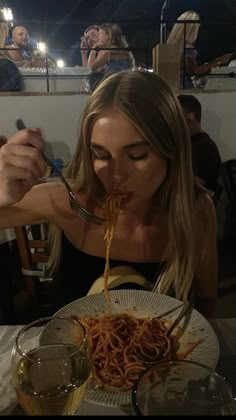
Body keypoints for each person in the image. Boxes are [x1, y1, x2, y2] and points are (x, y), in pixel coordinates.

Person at [0, 70, 217, 317]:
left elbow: (207, 301)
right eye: (101, 155)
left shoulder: (195, 209)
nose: (116, 175)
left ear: (172, 152)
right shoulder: (70, 201)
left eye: (137, 156)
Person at [167, 10, 232, 89]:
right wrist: (218, 61)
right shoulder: (187, 47)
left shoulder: (173, 45)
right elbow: (194, 71)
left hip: (173, 84)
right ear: (192, 29)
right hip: (185, 87)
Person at [178, 94, 221, 196]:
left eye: (177, 115)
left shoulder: (206, 148)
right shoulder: (188, 143)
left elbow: (195, 188)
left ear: (190, 117)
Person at [87, 23, 135, 91]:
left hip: (114, 84)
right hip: (123, 82)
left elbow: (90, 67)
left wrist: (94, 48)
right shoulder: (120, 49)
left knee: (92, 78)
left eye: (100, 34)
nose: (99, 37)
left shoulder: (110, 52)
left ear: (108, 35)